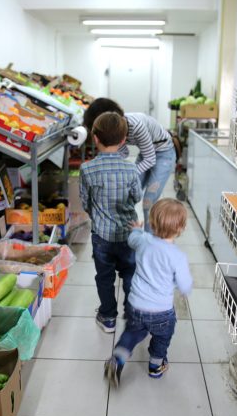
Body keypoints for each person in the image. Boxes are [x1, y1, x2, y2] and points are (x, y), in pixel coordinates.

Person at [104, 198, 193, 386]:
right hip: (162, 311)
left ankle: (118, 358)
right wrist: (182, 287)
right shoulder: (177, 256)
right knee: (162, 338)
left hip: (136, 304)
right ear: (181, 228)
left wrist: (136, 229)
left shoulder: (143, 241)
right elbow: (185, 285)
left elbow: (132, 238)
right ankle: (155, 367)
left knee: (132, 333)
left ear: (151, 223)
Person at [80, 112, 143, 333]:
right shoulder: (131, 168)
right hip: (129, 235)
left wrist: (98, 214)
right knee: (130, 274)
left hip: (102, 237)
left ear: (94, 138)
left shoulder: (87, 169)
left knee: (104, 278)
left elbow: (85, 201)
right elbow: (136, 197)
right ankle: (132, 313)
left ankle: (108, 317)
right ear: (124, 139)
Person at [83, 98, 176, 232]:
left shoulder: (136, 126)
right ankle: (127, 234)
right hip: (146, 152)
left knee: (148, 202)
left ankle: (149, 243)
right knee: (126, 195)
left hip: (163, 154)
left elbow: (150, 159)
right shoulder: (115, 129)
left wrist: (127, 173)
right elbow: (124, 152)